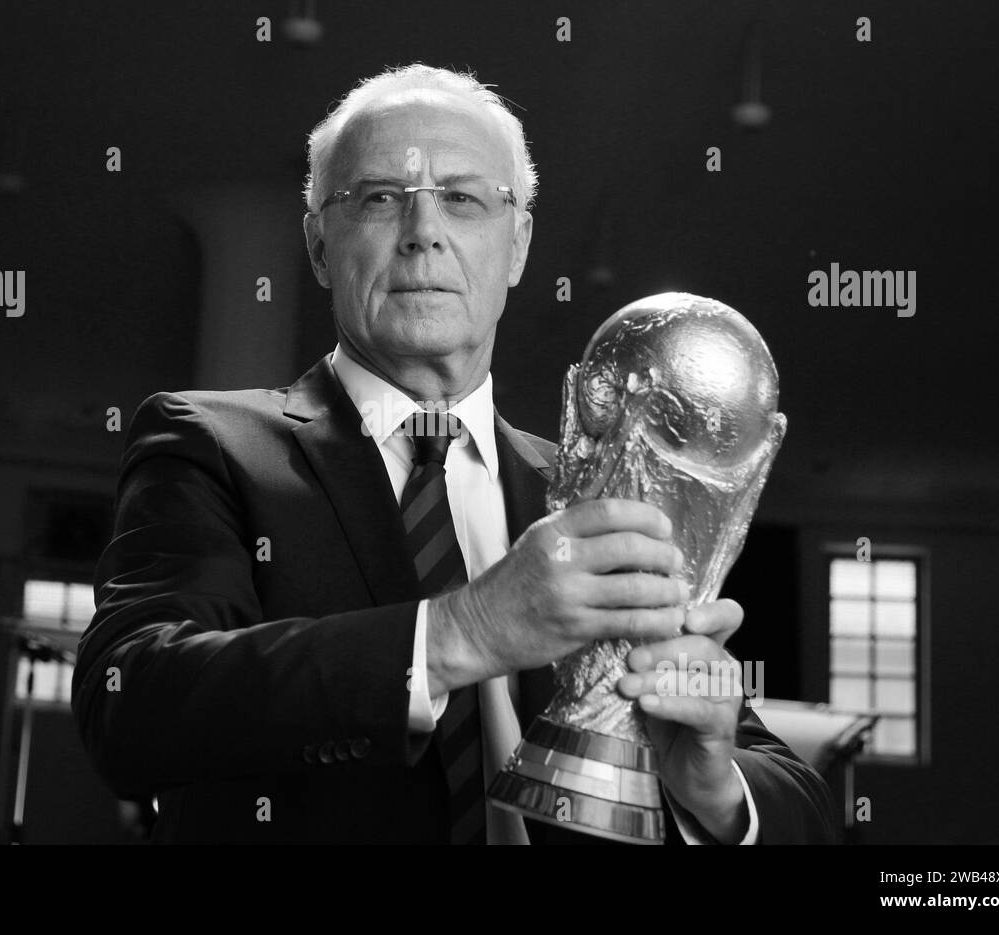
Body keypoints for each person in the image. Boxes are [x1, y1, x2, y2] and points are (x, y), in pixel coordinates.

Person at [72, 63, 838, 844]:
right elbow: (127, 703)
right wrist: (464, 630)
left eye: (465, 199)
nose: (423, 231)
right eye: (378, 197)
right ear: (318, 248)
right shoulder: (208, 445)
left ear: (518, 246)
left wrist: (713, 787)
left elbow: (804, 812)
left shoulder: (597, 490)